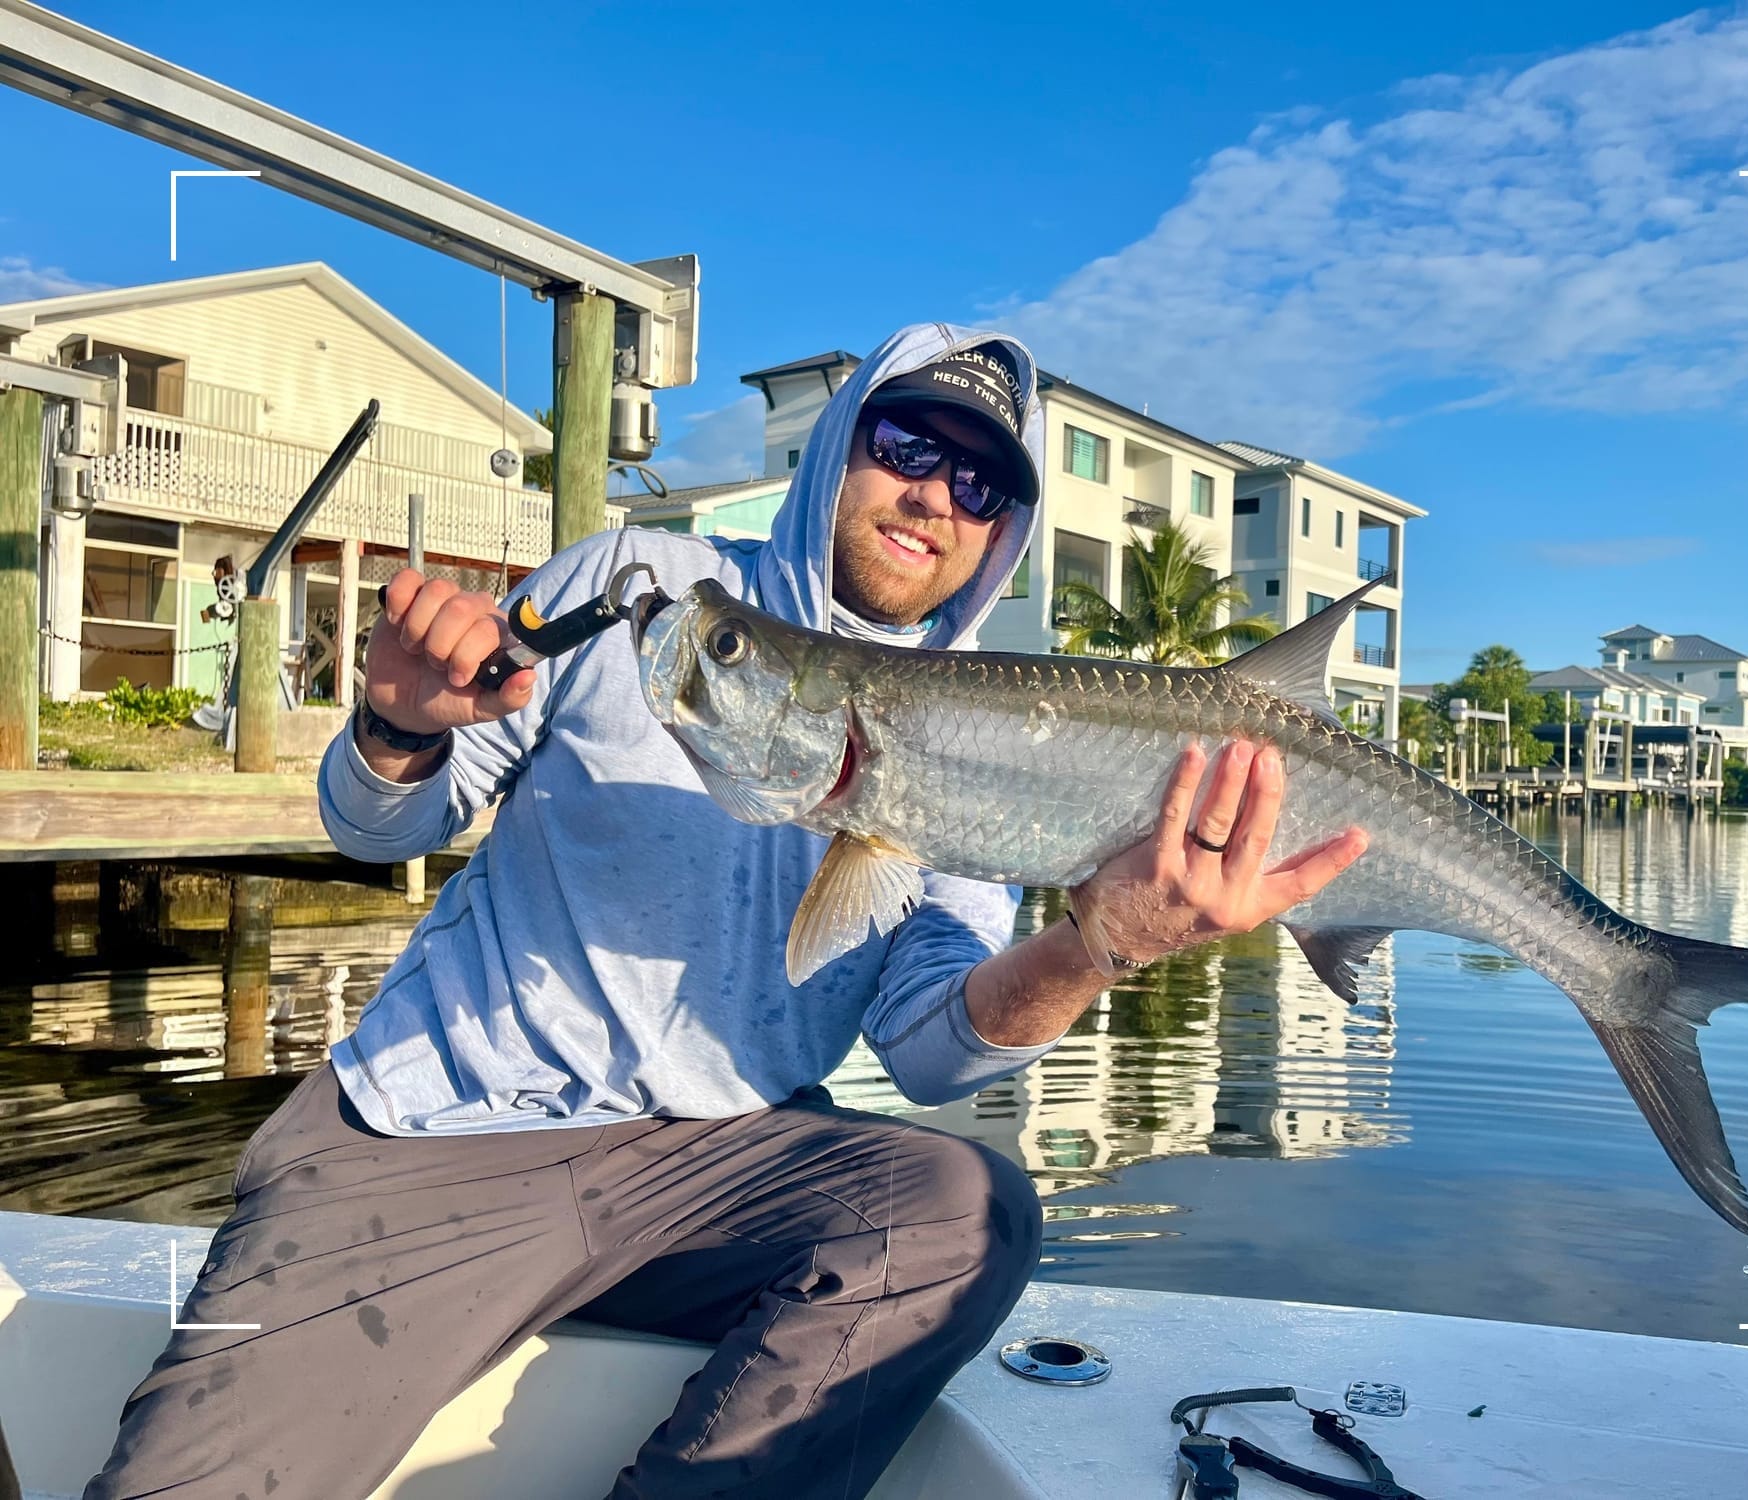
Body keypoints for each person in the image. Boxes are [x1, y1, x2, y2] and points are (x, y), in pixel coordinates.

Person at [85, 323, 1368, 1499]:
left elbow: (930, 1049)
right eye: (907, 445)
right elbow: (381, 826)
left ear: (1002, 535)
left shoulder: (976, 735)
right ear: (839, 448)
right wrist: (399, 725)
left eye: (983, 483)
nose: (935, 493)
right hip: (434, 1137)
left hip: (713, 1171)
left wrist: (1100, 941)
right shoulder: (647, 587)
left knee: (967, 1206)